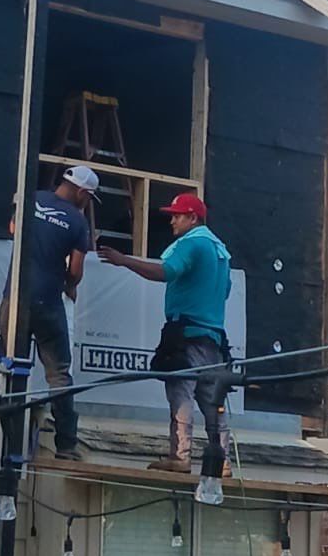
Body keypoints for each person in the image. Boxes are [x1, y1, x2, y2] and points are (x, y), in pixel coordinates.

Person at [98, 191, 232, 500]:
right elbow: (224, 291)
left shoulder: (191, 243)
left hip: (186, 331)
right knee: (213, 399)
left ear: (193, 218)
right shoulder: (220, 250)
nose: (172, 221)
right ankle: (221, 461)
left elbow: (165, 272)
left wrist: (124, 260)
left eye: (177, 215)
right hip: (213, 336)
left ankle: (180, 456)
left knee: (181, 391)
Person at [0, 165, 98, 461]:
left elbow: (13, 230)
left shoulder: (32, 198)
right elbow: (76, 271)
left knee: (10, 370)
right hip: (47, 304)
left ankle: (8, 444)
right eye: (89, 197)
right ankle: (66, 446)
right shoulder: (78, 222)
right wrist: (69, 286)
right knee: (59, 376)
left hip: (14, 299)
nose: (87, 202)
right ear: (82, 192)